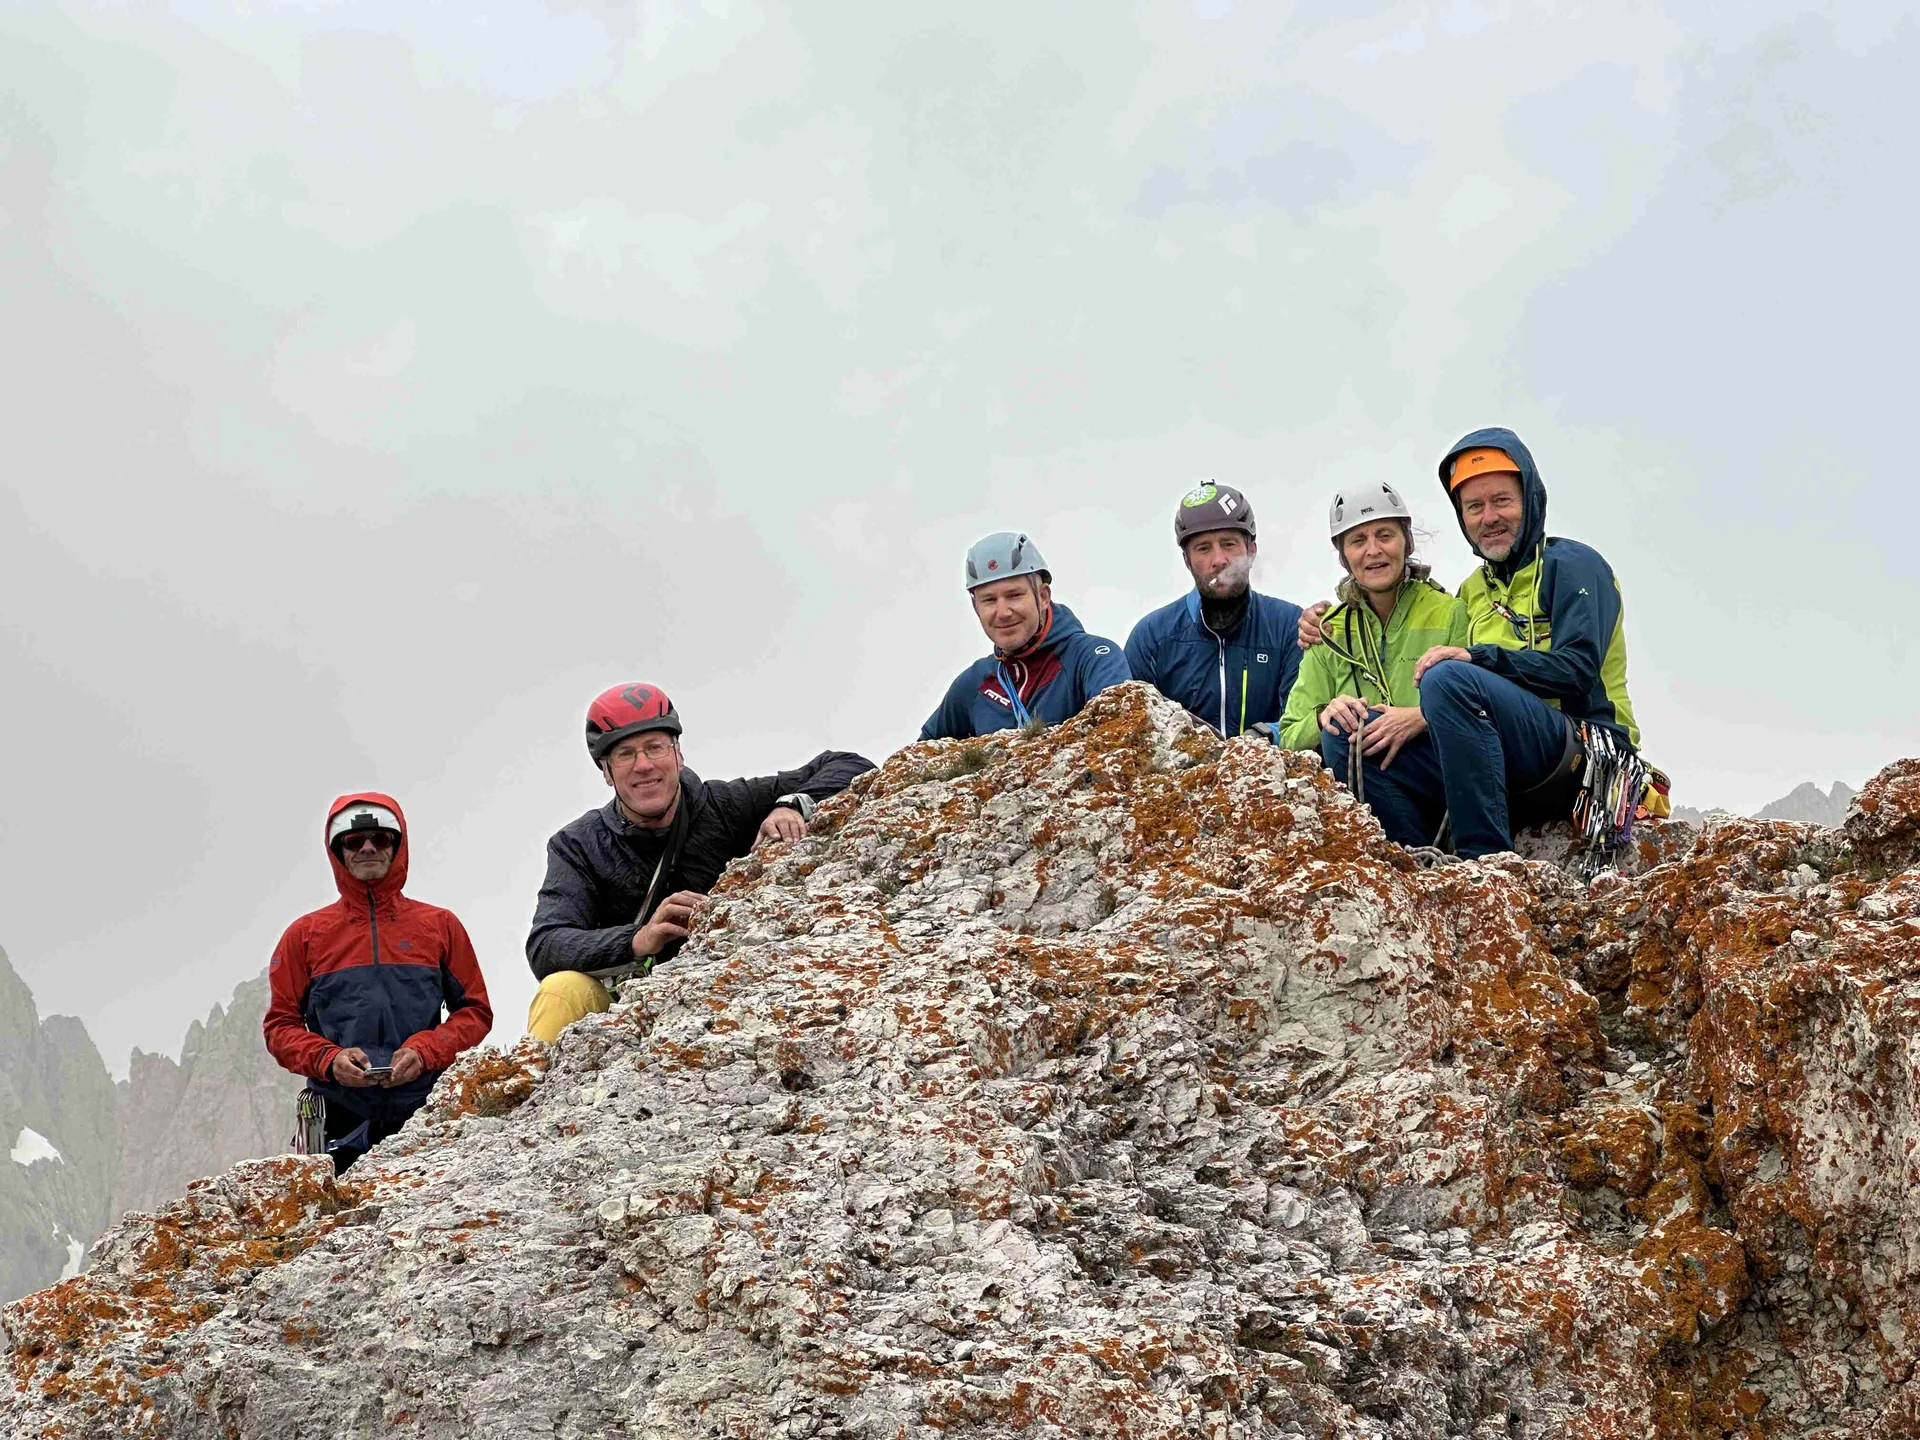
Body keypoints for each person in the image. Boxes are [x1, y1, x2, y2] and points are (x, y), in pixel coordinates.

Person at [1299, 429, 1642, 858]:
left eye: (1502, 501)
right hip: (1506, 764)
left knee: (1447, 676)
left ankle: (1482, 862)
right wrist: (1316, 621)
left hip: (1584, 753)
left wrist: (1476, 661)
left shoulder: (1573, 566)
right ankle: (1416, 867)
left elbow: (1578, 670)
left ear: (1530, 500)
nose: (1489, 517)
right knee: (1350, 736)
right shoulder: (1471, 592)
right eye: (1474, 507)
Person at [527, 683, 874, 1043]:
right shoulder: (578, 844)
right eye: (625, 754)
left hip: (730, 991)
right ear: (606, 771)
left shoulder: (726, 805)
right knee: (561, 989)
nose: (643, 765)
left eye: (655, 747)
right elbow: (547, 945)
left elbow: (849, 765)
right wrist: (640, 938)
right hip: (624, 1008)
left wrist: (790, 803)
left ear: (678, 753)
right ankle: (533, 1092)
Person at [264, 794, 494, 1173]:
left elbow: (474, 1012)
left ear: (397, 846)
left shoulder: (439, 926)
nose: (368, 847)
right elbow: (279, 1027)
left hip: (428, 1109)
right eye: (355, 841)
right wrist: (329, 1058)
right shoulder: (304, 935)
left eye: (381, 838)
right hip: (335, 1119)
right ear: (338, 851)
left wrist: (424, 1051)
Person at [1275, 484, 1471, 843]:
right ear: (1343, 557)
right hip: (1376, 793)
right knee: (1339, 729)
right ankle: (1408, 859)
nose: (1373, 550)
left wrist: (1420, 717)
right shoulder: (1329, 631)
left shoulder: (1450, 612)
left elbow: (1476, 707)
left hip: (1438, 771)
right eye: (1357, 540)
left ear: (1407, 543)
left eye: (1385, 535)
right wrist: (1323, 715)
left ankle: (1414, 857)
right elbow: (1289, 734)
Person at [1124, 483, 1302, 738]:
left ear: (1251, 550)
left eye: (1228, 544)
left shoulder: (1289, 625)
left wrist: (1263, 735)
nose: (1219, 560)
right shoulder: (1152, 637)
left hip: (1271, 772)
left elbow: (1304, 718)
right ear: (1187, 560)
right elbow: (1131, 727)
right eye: (1203, 548)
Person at [920, 532, 1130, 739]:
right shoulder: (974, 683)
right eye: (989, 600)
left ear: (1043, 597)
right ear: (976, 607)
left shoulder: (1094, 659)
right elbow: (919, 760)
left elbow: (1120, 737)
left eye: (1014, 595)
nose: (1003, 612)